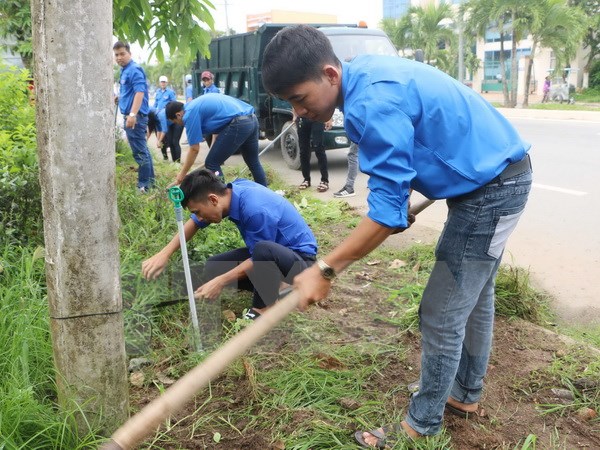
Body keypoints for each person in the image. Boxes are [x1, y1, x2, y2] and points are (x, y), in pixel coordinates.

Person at [262, 25, 532, 447]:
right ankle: (463, 394)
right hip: (494, 181)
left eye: (299, 99)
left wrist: (325, 268)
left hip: (492, 192)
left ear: (330, 75)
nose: (298, 112)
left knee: (441, 311)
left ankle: (421, 426)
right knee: (474, 296)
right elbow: (397, 181)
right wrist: (395, 201)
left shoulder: (370, 102)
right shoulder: (365, 75)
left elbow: (386, 216)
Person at [141, 168, 318, 319]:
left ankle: (264, 308)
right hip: (274, 255)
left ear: (213, 199)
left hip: (300, 263)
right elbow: (194, 223)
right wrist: (164, 254)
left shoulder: (255, 210)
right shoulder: (232, 191)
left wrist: (220, 282)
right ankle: (279, 287)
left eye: (199, 211)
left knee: (261, 251)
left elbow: (261, 257)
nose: (200, 217)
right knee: (214, 266)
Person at [165, 97, 268, 187]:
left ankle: (223, 196)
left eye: (175, 122)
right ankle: (265, 194)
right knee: (253, 162)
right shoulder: (194, 105)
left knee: (211, 163)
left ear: (178, 115)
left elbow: (194, 149)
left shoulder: (189, 115)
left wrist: (182, 174)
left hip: (239, 124)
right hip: (251, 119)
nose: (179, 124)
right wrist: (214, 149)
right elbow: (217, 129)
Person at [113, 41, 155, 192]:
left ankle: (144, 186)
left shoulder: (134, 70)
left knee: (140, 152)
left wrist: (132, 114)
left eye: (122, 54)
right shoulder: (125, 70)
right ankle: (150, 183)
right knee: (143, 150)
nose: (119, 57)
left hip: (135, 118)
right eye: (116, 55)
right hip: (133, 115)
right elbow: (130, 92)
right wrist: (120, 98)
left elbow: (139, 92)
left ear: (129, 53)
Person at [296, 113, 332, 193]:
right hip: (302, 118)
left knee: (318, 148)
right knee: (303, 150)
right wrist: (294, 115)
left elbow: (327, 101)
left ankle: (324, 180)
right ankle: (306, 179)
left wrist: (329, 118)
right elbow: (294, 101)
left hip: (318, 117)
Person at [153, 76, 181, 161]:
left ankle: (178, 161)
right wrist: (155, 111)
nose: (163, 83)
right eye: (161, 82)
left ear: (167, 83)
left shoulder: (170, 92)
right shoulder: (157, 92)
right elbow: (156, 104)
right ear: (159, 83)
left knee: (175, 142)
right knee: (168, 142)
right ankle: (170, 160)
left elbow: (174, 104)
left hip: (173, 120)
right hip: (164, 120)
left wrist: (164, 109)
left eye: (164, 82)